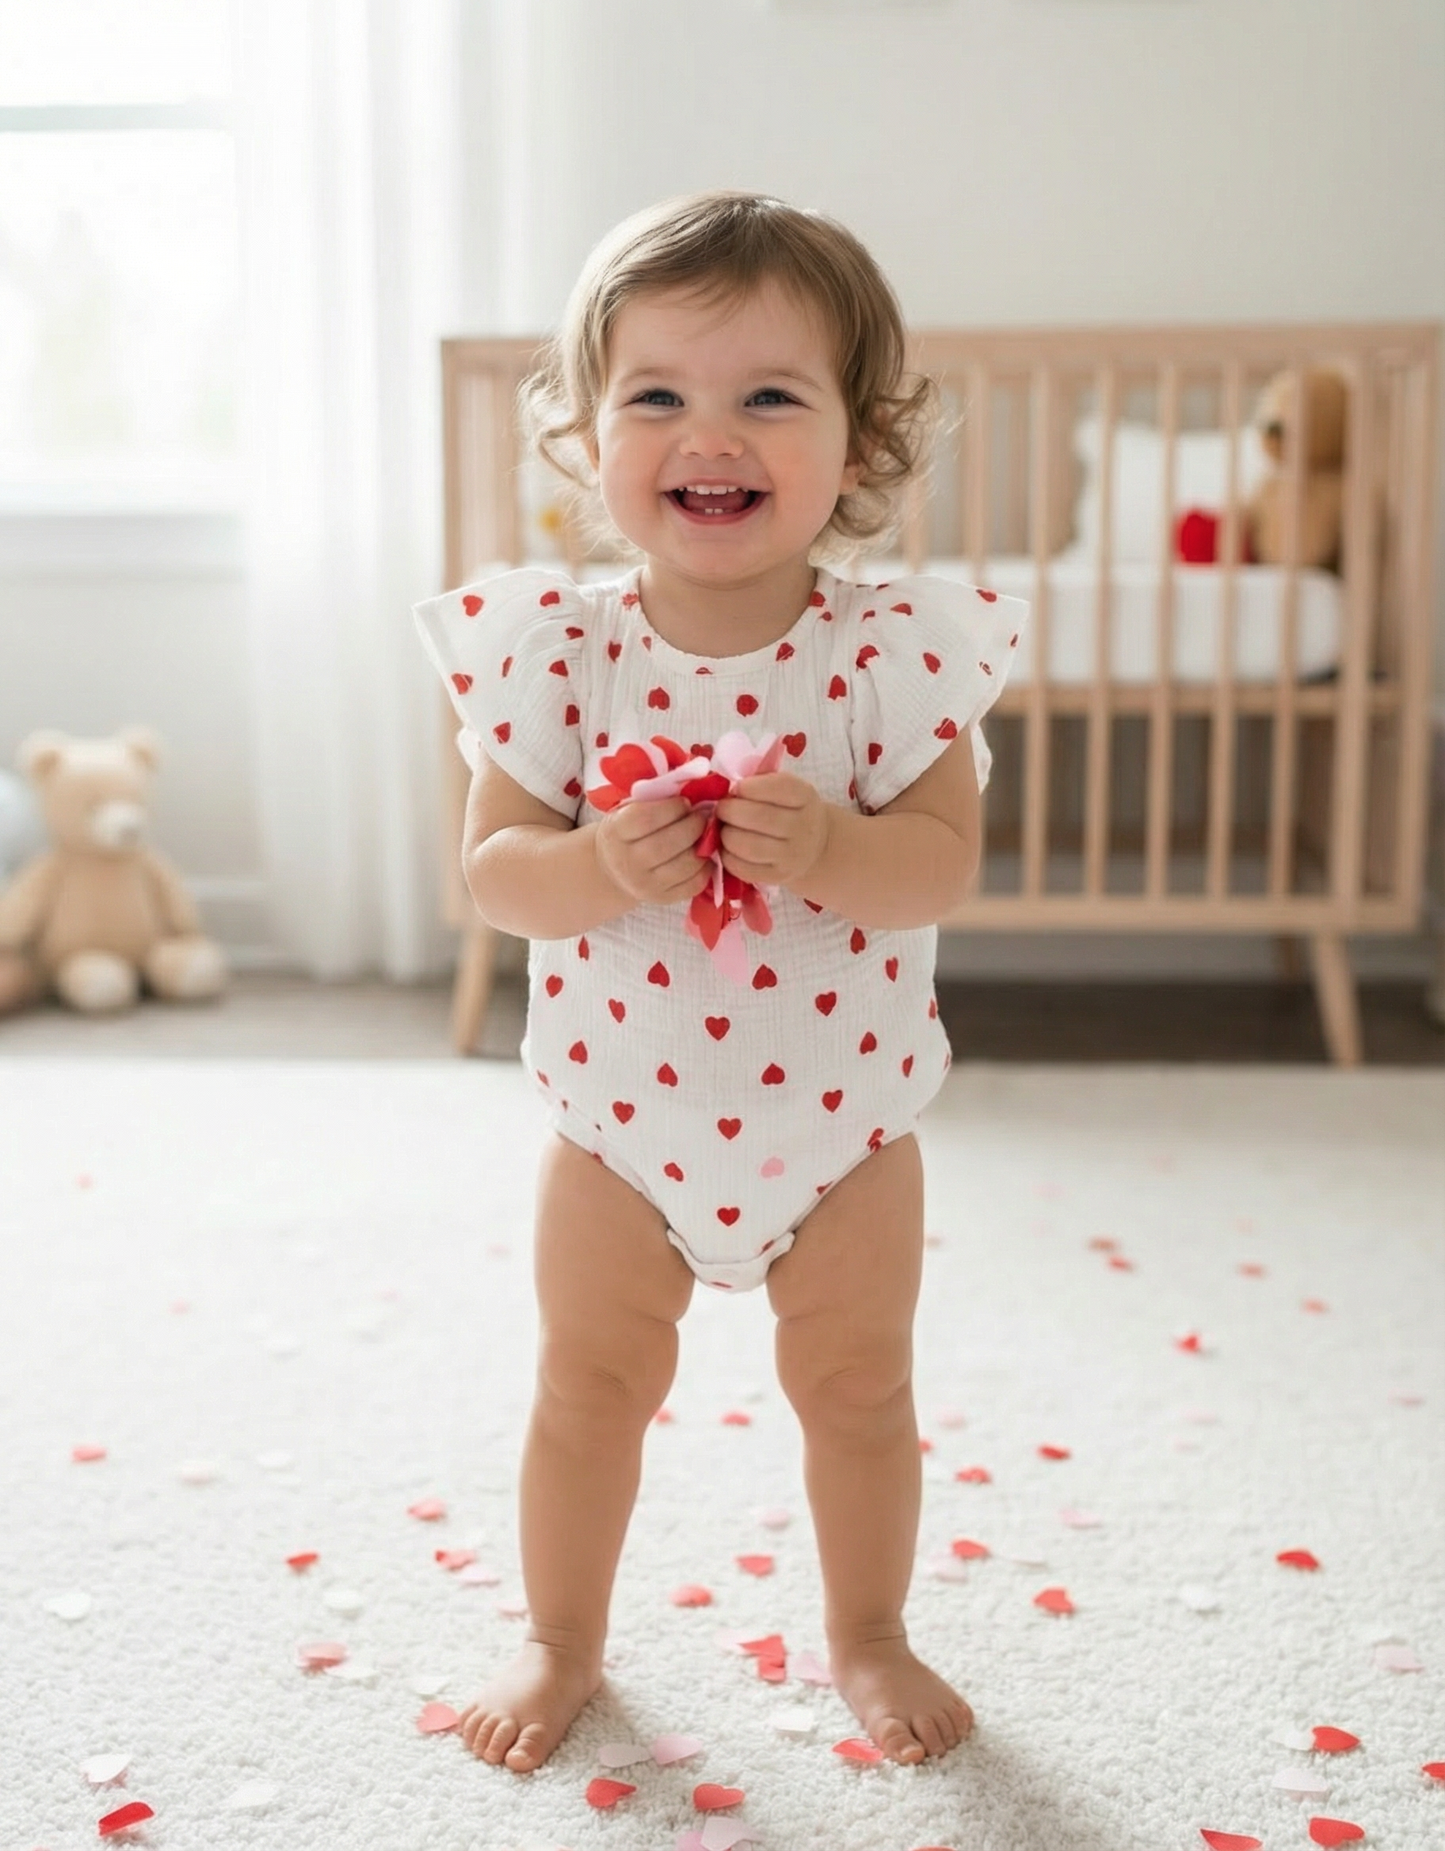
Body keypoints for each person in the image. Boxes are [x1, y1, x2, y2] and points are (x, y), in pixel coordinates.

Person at [413, 190, 1025, 1776]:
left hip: (844, 1131)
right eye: (658, 395)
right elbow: (494, 874)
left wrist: (829, 843)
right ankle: (560, 1635)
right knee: (587, 1386)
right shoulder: (559, 650)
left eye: (769, 393)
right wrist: (598, 867)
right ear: (586, 436)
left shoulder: (890, 654)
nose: (712, 434)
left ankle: (870, 1630)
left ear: (860, 438)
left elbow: (939, 867)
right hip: (620, 1129)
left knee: (860, 1389)